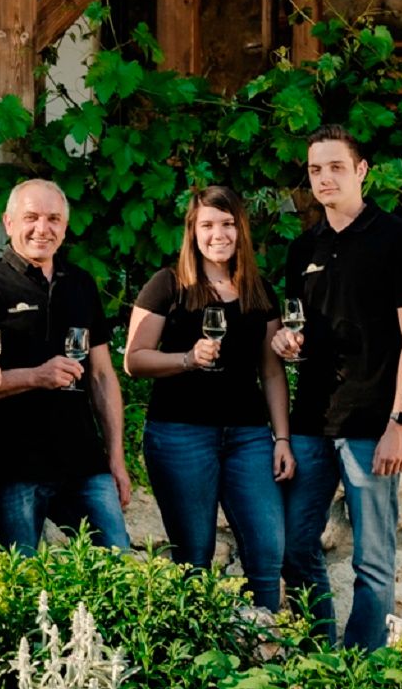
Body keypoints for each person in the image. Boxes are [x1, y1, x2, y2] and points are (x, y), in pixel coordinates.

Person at [272, 126, 402, 649]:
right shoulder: (303, 248)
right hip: (311, 422)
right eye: (315, 170)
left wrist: (399, 423)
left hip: (372, 424)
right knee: (295, 548)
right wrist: (286, 343)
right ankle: (321, 657)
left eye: (336, 167)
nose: (325, 178)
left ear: (361, 171)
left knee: (374, 559)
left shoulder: (396, 238)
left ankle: (365, 670)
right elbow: (297, 330)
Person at [125, 186, 295, 608]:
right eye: (207, 225)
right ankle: (198, 646)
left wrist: (282, 439)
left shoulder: (259, 291)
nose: (218, 234)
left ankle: (264, 640)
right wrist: (186, 359)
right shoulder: (168, 284)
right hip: (180, 434)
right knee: (194, 557)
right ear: (193, 231)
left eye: (227, 224)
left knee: (267, 550)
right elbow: (134, 359)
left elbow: (272, 371)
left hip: (249, 435)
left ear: (241, 230)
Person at [0, 178, 133, 555]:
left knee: (118, 564)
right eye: (31, 217)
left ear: (65, 227)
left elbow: (102, 375)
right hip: (14, 467)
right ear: (8, 223)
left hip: (84, 461)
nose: (43, 228)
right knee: (20, 575)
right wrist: (37, 376)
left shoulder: (80, 284)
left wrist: (116, 459)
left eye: (53, 219)